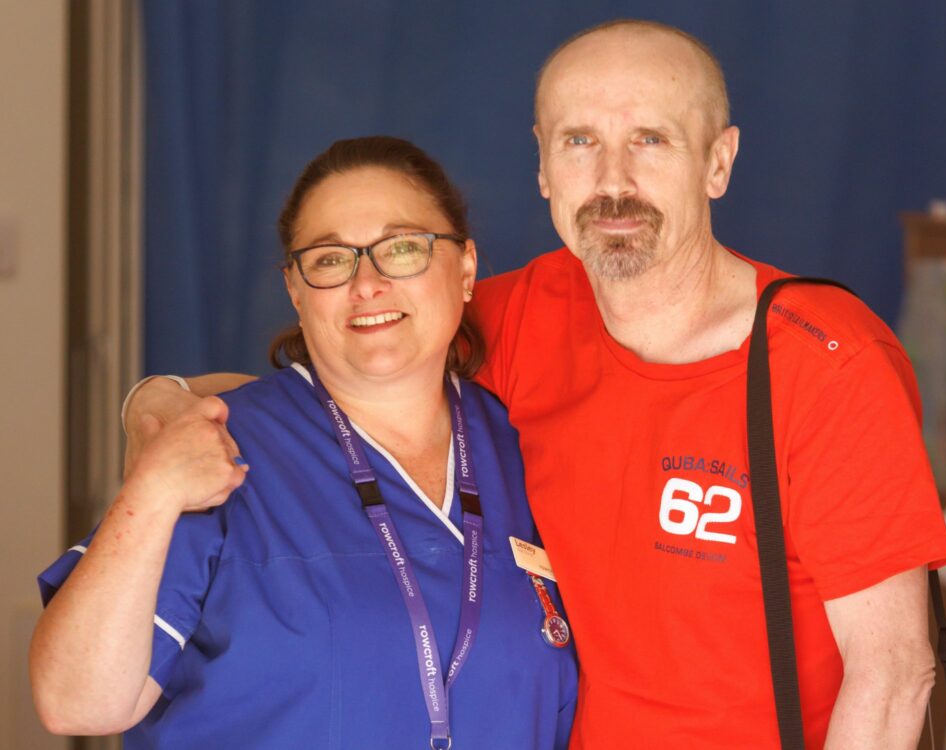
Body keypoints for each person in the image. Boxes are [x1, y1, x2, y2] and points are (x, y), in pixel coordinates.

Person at [119, 20, 946, 749]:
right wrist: (160, 400)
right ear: (544, 168)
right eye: (580, 141)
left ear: (719, 162)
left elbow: (895, 675)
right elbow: (341, 378)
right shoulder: (522, 314)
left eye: (652, 140)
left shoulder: (823, 361)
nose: (614, 178)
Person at [30, 136, 578, 748]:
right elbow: (75, 702)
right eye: (330, 259)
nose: (367, 283)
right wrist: (152, 492)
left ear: (467, 267)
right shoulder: (220, 450)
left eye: (402, 249)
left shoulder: (527, 447)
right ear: (295, 289)